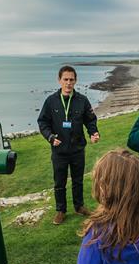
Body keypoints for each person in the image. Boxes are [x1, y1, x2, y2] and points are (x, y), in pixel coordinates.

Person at [38, 66, 100, 225]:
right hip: (59, 150)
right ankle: (61, 210)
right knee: (60, 182)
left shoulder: (82, 100)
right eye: (65, 79)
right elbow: (43, 122)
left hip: (77, 149)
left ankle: (79, 206)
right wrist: (50, 137)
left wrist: (93, 133)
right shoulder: (51, 101)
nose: (68, 83)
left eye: (71, 79)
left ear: (75, 81)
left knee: (78, 180)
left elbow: (90, 119)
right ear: (59, 80)